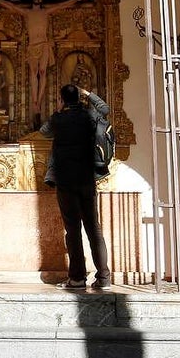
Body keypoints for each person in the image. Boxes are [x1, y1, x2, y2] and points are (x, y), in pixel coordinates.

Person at [40, 84, 112, 290]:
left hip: (65, 180)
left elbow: (44, 132)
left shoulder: (59, 119)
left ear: (62, 99)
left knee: (73, 230)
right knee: (93, 229)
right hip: (87, 179)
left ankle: (78, 278)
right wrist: (89, 94)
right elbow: (105, 109)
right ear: (80, 98)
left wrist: (59, 111)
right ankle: (104, 278)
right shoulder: (90, 116)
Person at [0, 0, 81, 124]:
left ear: (42, 0)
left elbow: (61, 5)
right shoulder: (27, 12)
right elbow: (12, 7)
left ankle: (39, 98)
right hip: (32, 46)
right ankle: (35, 102)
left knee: (42, 72)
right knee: (34, 72)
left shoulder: (45, 12)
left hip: (44, 45)